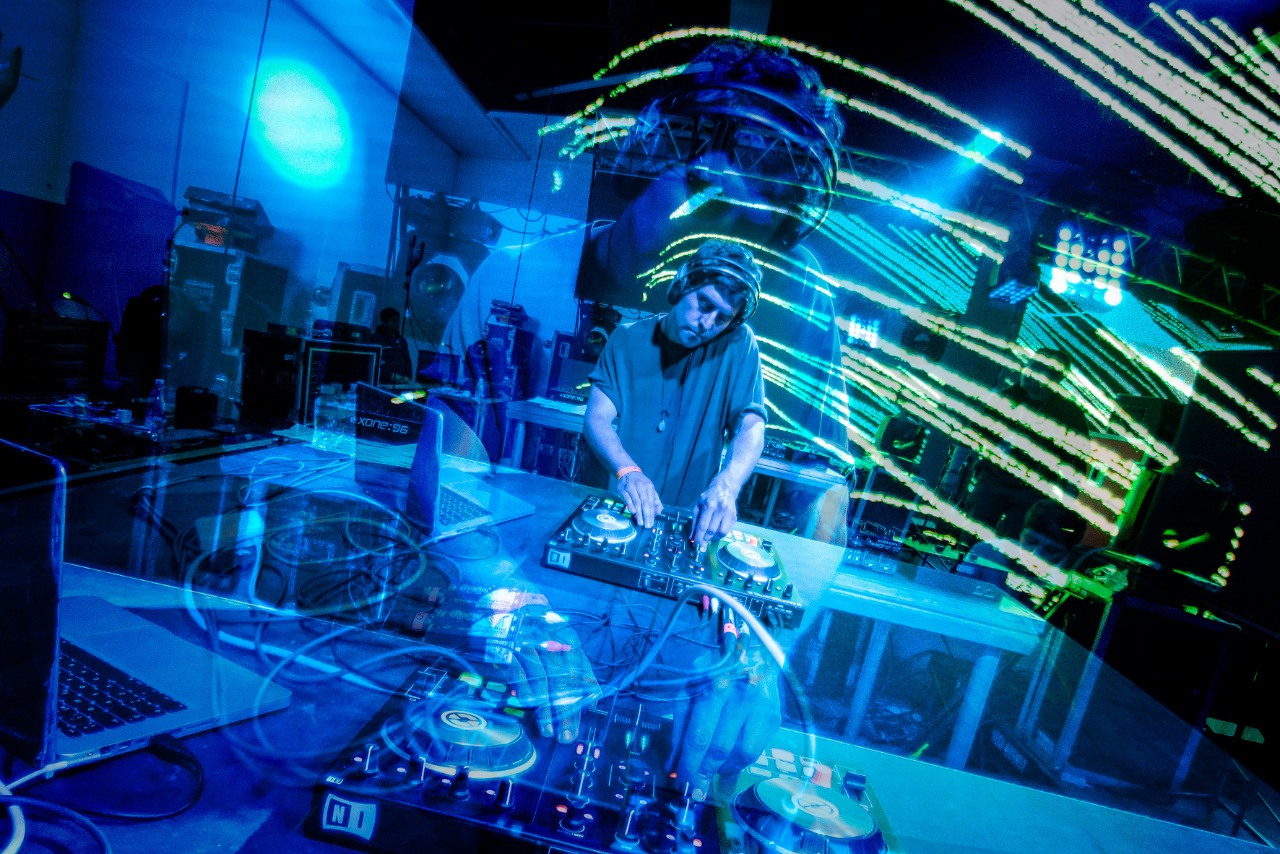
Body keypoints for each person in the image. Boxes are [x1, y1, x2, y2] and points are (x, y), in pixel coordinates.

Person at [440, 36, 850, 544]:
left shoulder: (802, 301)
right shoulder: (512, 277)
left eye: (750, 231)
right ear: (651, 154)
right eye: (706, 200)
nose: (716, 244)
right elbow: (452, 455)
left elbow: (823, 497)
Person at [585, 238, 766, 543]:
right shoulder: (625, 340)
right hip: (622, 511)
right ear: (682, 286)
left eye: (723, 318)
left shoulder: (739, 344)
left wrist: (728, 485)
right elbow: (597, 418)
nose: (707, 323)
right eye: (705, 304)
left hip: (689, 522)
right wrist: (627, 471)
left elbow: (751, 426)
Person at [950, 348, 1093, 539]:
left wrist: (1067, 502)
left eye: (1039, 367)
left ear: (1056, 378)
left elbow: (1077, 460)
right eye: (1030, 364)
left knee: (1016, 542)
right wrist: (953, 473)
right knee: (973, 535)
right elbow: (972, 434)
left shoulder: (1069, 413)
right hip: (995, 478)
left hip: (1033, 488)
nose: (1029, 371)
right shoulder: (1006, 397)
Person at [954, 498, 1086, 609]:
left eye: (1051, 550)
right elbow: (956, 599)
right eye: (1031, 541)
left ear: (1067, 554)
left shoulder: (1074, 587)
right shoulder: (985, 552)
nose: (1036, 556)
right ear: (1020, 533)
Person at [370, 306, 413, 385]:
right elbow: (373, 363)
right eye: (393, 321)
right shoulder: (375, 339)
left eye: (398, 321)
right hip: (382, 383)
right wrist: (391, 376)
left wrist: (408, 376)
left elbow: (407, 361)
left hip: (401, 383)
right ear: (384, 322)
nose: (396, 324)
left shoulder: (402, 341)